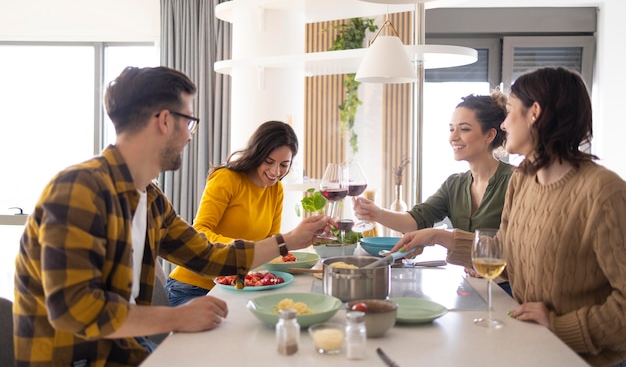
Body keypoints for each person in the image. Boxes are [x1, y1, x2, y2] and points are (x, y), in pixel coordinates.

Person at [12, 66, 333, 367]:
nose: (190, 135)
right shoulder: (78, 189)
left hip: (127, 350)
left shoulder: (150, 200)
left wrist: (288, 241)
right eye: (189, 122)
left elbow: (208, 255)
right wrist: (177, 317)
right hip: (78, 359)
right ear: (164, 120)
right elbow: (74, 311)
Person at [391, 67, 626, 367]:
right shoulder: (523, 180)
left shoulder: (604, 193)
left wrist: (559, 326)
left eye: (510, 111)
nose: (503, 124)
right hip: (532, 346)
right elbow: (505, 251)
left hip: (580, 359)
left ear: (534, 114)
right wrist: (439, 238)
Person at [166, 120, 298, 306]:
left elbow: (271, 241)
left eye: (284, 164)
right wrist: (248, 251)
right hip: (193, 286)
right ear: (256, 154)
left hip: (236, 287)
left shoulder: (276, 190)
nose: (276, 171)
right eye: (269, 162)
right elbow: (200, 230)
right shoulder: (227, 179)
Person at [354, 92, 512, 234]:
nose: (453, 138)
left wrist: (440, 237)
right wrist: (376, 213)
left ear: (490, 135)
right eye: (451, 129)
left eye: (464, 129)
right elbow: (415, 221)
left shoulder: (516, 181)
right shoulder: (454, 185)